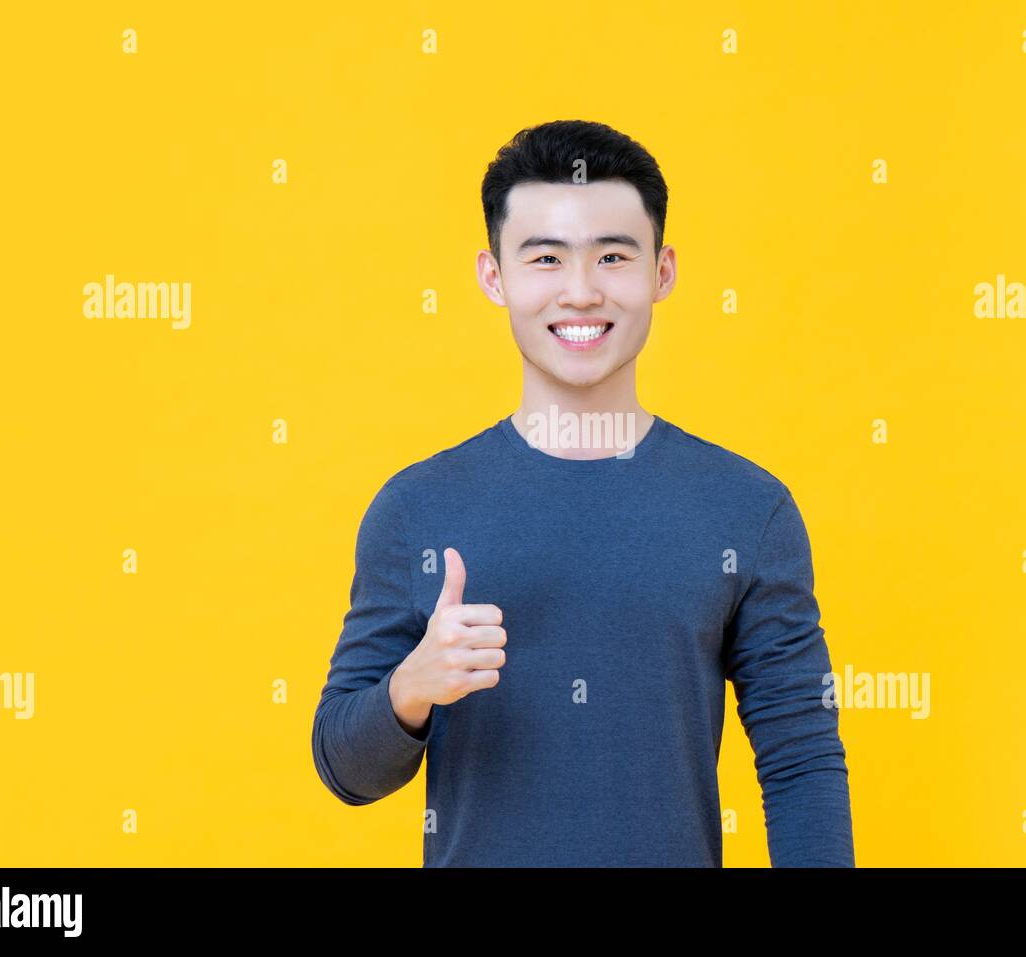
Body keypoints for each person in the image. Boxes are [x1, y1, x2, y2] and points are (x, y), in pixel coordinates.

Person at [311, 119, 854, 867]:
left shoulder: (747, 509)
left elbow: (801, 761)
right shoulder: (416, 509)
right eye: (545, 257)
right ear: (493, 275)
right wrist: (411, 686)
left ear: (661, 273)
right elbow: (345, 768)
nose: (580, 290)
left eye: (612, 255)